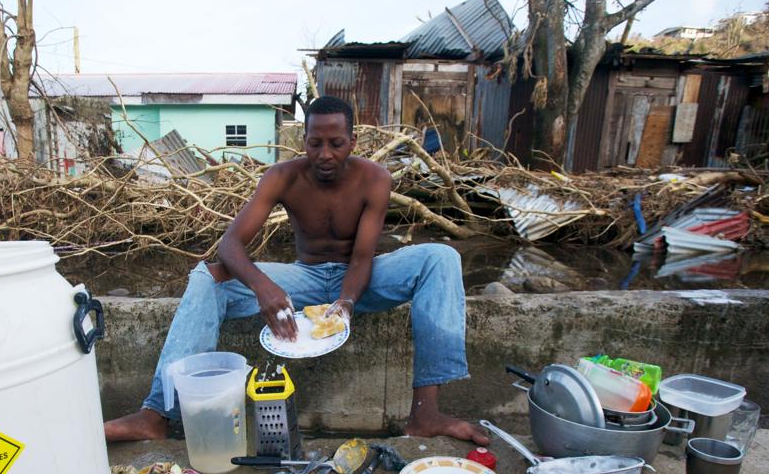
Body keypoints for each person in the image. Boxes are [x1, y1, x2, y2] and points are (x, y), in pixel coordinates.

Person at [104, 95, 490, 446]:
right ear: (302, 141)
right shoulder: (282, 177)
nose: (324, 154)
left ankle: (425, 414)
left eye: (336, 144)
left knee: (442, 258)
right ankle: (156, 413)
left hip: (360, 280)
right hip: (304, 279)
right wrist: (264, 287)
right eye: (314, 143)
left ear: (352, 142)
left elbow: (361, 258)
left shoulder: (375, 179)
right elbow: (230, 244)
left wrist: (346, 303)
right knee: (209, 276)